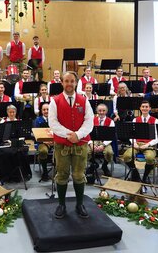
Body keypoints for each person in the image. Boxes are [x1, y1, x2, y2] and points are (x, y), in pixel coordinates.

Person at [49, 71, 94, 219]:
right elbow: (53, 123)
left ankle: (79, 203)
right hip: (61, 145)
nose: (69, 84)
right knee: (62, 175)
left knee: (79, 175)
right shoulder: (54, 101)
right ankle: (61, 204)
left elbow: (89, 120)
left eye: (72, 81)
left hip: (80, 145)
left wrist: (78, 135)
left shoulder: (84, 100)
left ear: (76, 83)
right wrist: (70, 134)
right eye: (66, 81)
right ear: (62, 82)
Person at [123, 100, 158, 183]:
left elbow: (157, 137)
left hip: (149, 145)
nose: (145, 108)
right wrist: (134, 143)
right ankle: (136, 174)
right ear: (140, 108)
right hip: (137, 144)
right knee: (126, 156)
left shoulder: (155, 121)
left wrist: (147, 145)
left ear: (150, 108)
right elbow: (131, 135)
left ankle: (145, 177)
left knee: (150, 158)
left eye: (146, 107)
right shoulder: (135, 120)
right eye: (143, 107)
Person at [0, 104, 32, 182]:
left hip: (17, 143)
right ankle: (8, 175)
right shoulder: (3, 122)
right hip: (6, 143)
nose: (11, 114)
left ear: (16, 112)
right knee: (5, 153)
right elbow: (1, 136)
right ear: (7, 113)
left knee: (22, 151)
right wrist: (8, 141)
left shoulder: (19, 122)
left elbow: (23, 135)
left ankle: (21, 174)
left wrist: (18, 140)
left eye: (13, 112)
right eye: (10, 112)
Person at [87, 104, 114, 177]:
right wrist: (90, 144)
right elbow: (87, 133)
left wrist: (103, 145)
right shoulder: (91, 120)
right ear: (96, 111)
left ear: (107, 111)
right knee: (86, 152)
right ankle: (93, 164)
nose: (101, 112)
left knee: (109, 152)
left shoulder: (111, 121)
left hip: (105, 141)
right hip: (93, 141)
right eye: (99, 110)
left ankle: (104, 166)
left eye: (103, 110)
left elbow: (111, 136)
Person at [34, 103, 53, 181]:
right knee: (43, 151)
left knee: (62, 149)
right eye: (44, 109)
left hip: (54, 141)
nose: (46, 111)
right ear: (41, 111)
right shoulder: (37, 120)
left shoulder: (54, 119)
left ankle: (59, 172)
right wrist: (45, 141)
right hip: (42, 142)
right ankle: (45, 172)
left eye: (48, 109)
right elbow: (35, 135)